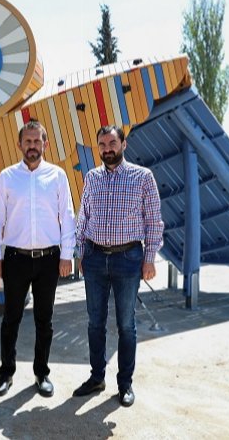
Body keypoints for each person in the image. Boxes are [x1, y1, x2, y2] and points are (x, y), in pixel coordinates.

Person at [73, 125, 163, 407]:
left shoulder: (143, 177)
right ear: (97, 148)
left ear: (123, 144)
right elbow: (83, 218)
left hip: (128, 259)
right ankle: (96, 377)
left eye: (112, 143)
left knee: (126, 324)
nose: (107, 149)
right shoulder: (92, 178)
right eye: (102, 144)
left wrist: (150, 259)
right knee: (94, 322)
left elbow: (154, 221)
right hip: (95, 258)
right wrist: (79, 253)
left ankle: (125, 385)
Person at [0, 119, 76, 398]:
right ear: (19, 145)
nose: (32, 146)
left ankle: (42, 373)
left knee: (44, 320)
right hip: (15, 258)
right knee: (10, 318)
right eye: (27, 141)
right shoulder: (7, 177)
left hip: (49, 260)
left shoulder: (58, 176)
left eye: (37, 141)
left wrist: (66, 256)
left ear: (45, 144)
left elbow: (68, 217)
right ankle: (6, 373)